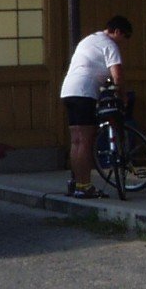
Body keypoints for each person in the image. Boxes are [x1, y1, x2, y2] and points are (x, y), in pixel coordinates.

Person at [60, 14, 133, 196]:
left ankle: (77, 184)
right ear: (117, 31)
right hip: (85, 92)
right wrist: (122, 95)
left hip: (69, 90)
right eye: (124, 38)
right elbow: (117, 76)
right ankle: (85, 186)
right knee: (85, 141)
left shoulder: (89, 40)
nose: (122, 43)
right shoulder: (109, 44)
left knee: (76, 141)